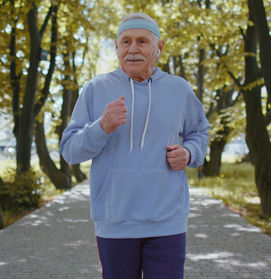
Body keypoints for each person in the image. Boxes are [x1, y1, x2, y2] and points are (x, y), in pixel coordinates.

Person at [59, 12, 210, 279]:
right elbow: (69, 150)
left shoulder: (179, 89)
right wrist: (101, 126)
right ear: (116, 47)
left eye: (142, 41)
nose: (133, 49)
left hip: (168, 222)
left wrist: (189, 152)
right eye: (126, 41)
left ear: (159, 48)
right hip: (115, 222)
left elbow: (199, 132)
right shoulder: (95, 89)